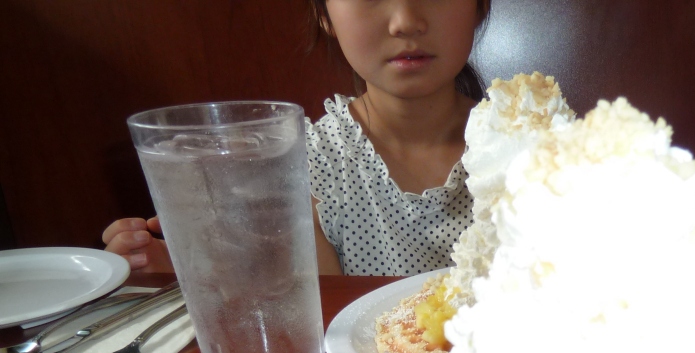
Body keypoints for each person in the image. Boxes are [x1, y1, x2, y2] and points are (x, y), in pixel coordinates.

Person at [103, 0, 488, 276]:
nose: (405, 21)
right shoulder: (299, 166)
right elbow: (317, 318)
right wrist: (180, 273)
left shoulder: (524, 145)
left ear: (480, 6)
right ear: (324, 14)